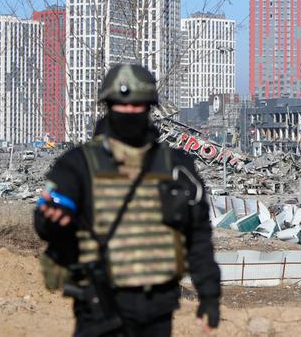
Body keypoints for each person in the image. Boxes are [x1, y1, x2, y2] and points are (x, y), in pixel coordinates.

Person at [34, 64, 221, 337]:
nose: (131, 111)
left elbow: (199, 236)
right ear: (109, 106)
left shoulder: (177, 167)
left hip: (157, 308)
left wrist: (209, 294)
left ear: (149, 108)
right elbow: (47, 218)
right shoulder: (79, 164)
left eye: (138, 105)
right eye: (122, 105)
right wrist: (51, 220)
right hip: (98, 305)